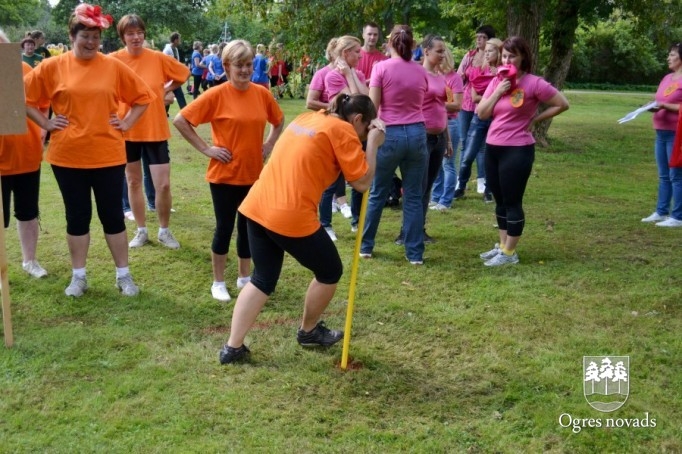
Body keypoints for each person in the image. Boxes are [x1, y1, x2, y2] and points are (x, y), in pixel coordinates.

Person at [217, 94, 385, 364]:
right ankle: (308, 332)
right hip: (289, 214)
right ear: (357, 120)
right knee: (330, 270)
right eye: (366, 128)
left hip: (257, 205)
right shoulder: (343, 130)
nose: (365, 134)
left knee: (263, 278)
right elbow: (362, 183)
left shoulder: (310, 117)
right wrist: (374, 145)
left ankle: (232, 348)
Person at [23, 3, 155, 296]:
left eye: (96, 37)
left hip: (107, 154)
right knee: (77, 216)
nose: (91, 42)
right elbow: (23, 96)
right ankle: (78, 277)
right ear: (72, 36)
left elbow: (144, 97)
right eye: (85, 36)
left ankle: (124, 275)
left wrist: (125, 122)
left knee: (112, 215)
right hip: (67, 156)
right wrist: (46, 121)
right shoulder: (53, 66)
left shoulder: (112, 66)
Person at [173, 40, 284, 302]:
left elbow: (278, 121)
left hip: (253, 174)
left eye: (248, 65)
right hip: (224, 176)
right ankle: (218, 281)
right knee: (225, 228)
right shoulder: (216, 94)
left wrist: (268, 144)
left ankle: (244, 278)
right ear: (226, 66)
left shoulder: (261, 93)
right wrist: (207, 149)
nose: (245, 70)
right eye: (239, 65)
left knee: (248, 229)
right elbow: (181, 120)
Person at [476, 36, 569, 266]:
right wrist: (498, 91)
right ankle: (502, 246)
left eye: (512, 56)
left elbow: (562, 103)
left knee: (512, 200)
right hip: (493, 146)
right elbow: (481, 113)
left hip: (517, 149)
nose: (507, 60)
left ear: (523, 58)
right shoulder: (497, 80)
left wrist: (536, 119)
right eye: (504, 56)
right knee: (498, 199)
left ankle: (510, 253)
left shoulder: (534, 83)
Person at [110, 14, 190, 250]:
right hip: (127, 129)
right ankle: (141, 230)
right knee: (133, 181)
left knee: (163, 184)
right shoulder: (113, 60)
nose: (136, 37)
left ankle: (164, 230)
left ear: (144, 34)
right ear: (122, 36)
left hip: (155, 128)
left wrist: (164, 87)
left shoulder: (157, 58)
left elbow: (183, 73)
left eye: (139, 32)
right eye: (130, 33)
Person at [360, 24, 429, 265]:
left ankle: (366, 246)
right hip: (418, 134)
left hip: (389, 134)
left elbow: (372, 108)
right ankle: (415, 253)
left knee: (378, 192)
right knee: (413, 196)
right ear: (412, 45)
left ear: (390, 44)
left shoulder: (381, 68)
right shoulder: (421, 71)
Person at [0, 29, 48, 278]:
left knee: (28, 211)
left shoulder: (23, 71)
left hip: (26, 155)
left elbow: (42, 104)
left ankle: (30, 261)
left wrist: (42, 130)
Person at [454, 38, 503, 202]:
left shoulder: (504, 73)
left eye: (490, 51)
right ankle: (460, 187)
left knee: (490, 156)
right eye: (486, 51)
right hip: (479, 117)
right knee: (468, 155)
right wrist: (494, 96)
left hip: (497, 119)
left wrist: (490, 97)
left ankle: (488, 191)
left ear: (499, 52)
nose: (486, 53)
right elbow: (474, 97)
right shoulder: (479, 71)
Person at [641, 42, 682, 227]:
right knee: (664, 175)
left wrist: (665, 106)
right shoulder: (667, 78)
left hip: (677, 133)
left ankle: (678, 216)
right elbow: (660, 100)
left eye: (672, 54)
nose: (668, 58)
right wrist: (651, 106)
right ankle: (661, 211)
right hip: (661, 132)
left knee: (677, 175)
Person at [457, 25, 496, 196]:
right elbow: (458, 75)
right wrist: (465, 76)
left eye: (483, 37)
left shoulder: (494, 61)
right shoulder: (470, 56)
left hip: (484, 105)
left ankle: (482, 179)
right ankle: (461, 181)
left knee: (482, 146)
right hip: (467, 104)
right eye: (477, 36)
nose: (479, 40)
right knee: (465, 142)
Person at [430, 45, 463, 211]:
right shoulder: (434, 76)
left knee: (448, 163)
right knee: (437, 163)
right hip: (437, 122)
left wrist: (436, 103)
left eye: (442, 56)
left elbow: (457, 105)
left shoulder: (454, 78)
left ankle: (446, 200)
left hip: (450, 122)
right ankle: (435, 197)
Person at [163, 32, 187, 114]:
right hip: (169, 78)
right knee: (176, 95)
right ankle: (185, 113)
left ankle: (185, 113)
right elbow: (164, 64)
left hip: (175, 76)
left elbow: (176, 62)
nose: (180, 41)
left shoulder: (175, 49)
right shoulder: (167, 50)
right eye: (179, 39)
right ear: (176, 40)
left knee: (176, 95)